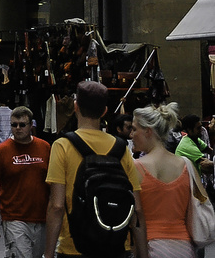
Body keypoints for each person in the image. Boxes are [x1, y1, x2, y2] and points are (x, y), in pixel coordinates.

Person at [44, 80, 146, 258]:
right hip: (116, 245)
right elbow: (137, 208)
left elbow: (57, 206)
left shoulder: (62, 146)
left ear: (75, 107)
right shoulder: (121, 148)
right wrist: (143, 255)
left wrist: (48, 253)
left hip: (74, 247)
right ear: (105, 111)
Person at [132, 102, 196, 258]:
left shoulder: (135, 167)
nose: (131, 135)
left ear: (148, 131)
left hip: (150, 244)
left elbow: (136, 215)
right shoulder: (186, 165)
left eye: (134, 129)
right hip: (184, 247)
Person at [0, 105, 49, 256]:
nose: (18, 128)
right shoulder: (0, 151)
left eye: (22, 125)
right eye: (14, 125)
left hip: (42, 217)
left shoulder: (44, 147)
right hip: (14, 219)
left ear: (31, 125)